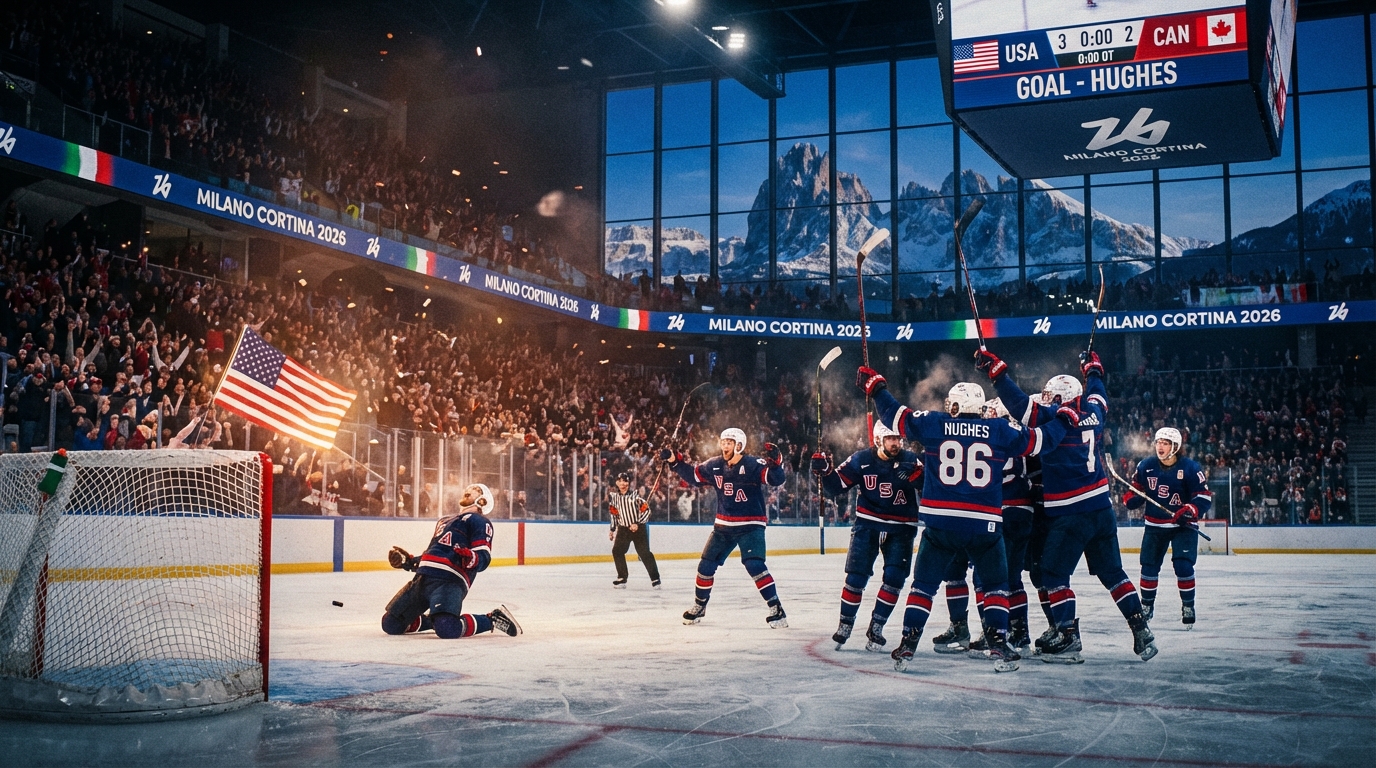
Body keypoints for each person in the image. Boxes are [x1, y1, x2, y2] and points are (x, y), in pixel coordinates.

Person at [857, 366, 1073, 673]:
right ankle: (998, 644)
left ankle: (908, 643)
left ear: (957, 405)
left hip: (941, 523)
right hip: (984, 524)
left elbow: (896, 416)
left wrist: (877, 388)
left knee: (923, 586)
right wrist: (1063, 419)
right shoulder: (998, 429)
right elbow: (1040, 442)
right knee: (996, 586)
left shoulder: (935, 423)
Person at [978, 348, 1157, 663]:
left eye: (1051, 397)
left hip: (1071, 512)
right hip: (1101, 508)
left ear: (1061, 399)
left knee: (1052, 574)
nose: (1047, 401)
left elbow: (1021, 406)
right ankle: (1141, 630)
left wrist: (999, 376)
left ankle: (1067, 635)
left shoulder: (1053, 418)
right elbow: (1098, 394)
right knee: (1113, 573)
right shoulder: (1094, 411)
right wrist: (1093, 371)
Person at [812, 421, 922, 652]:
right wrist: (825, 471)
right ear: (879, 439)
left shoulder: (912, 460)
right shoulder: (861, 459)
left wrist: (919, 476)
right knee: (855, 577)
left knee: (894, 579)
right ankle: (845, 624)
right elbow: (836, 486)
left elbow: (930, 486)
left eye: (898, 438)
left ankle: (877, 626)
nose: (896, 443)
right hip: (868, 524)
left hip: (902, 527)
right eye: (891, 438)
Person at [662, 427, 788, 627]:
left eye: (729, 442)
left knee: (754, 565)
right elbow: (694, 476)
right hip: (723, 525)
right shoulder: (714, 465)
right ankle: (700, 605)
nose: (725, 446)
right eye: (723, 442)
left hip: (750, 524)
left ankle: (776, 608)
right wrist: (674, 461)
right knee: (705, 566)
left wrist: (776, 465)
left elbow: (776, 480)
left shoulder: (754, 464)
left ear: (739, 445)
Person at [381, 483, 521, 639]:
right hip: (422, 579)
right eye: (469, 489)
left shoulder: (480, 521)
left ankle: (492, 619)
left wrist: (472, 557)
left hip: (449, 582)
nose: (469, 490)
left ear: (483, 501)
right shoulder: (444, 520)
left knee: (448, 628)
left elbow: (483, 556)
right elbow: (434, 552)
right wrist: (409, 561)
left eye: (476, 490)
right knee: (390, 624)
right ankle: (433, 620)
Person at [1124, 427, 1212, 628]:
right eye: (1158, 442)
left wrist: (1189, 510)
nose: (1160, 446)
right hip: (1155, 525)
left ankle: (1188, 605)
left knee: (1183, 566)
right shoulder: (1146, 466)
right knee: (1148, 567)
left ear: (1175, 446)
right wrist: (1131, 497)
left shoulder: (1190, 468)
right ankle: (1147, 606)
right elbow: (1136, 489)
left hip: (1183, 526)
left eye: (1165, 443)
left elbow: (1204, 497)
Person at [607, 471, 661, 589]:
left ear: (629, 483)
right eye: (620, 481)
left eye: (625, 481)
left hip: (638, 529)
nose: (623, 484)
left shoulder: (636, 497)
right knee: (617, 551)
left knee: (644, 553)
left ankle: (655, 579)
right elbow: (614, 514)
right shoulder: (614, 499)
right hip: (623, 529)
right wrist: (612, 529)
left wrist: (637, 523)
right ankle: (622, 578)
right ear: (617, 483)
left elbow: (646, 511)